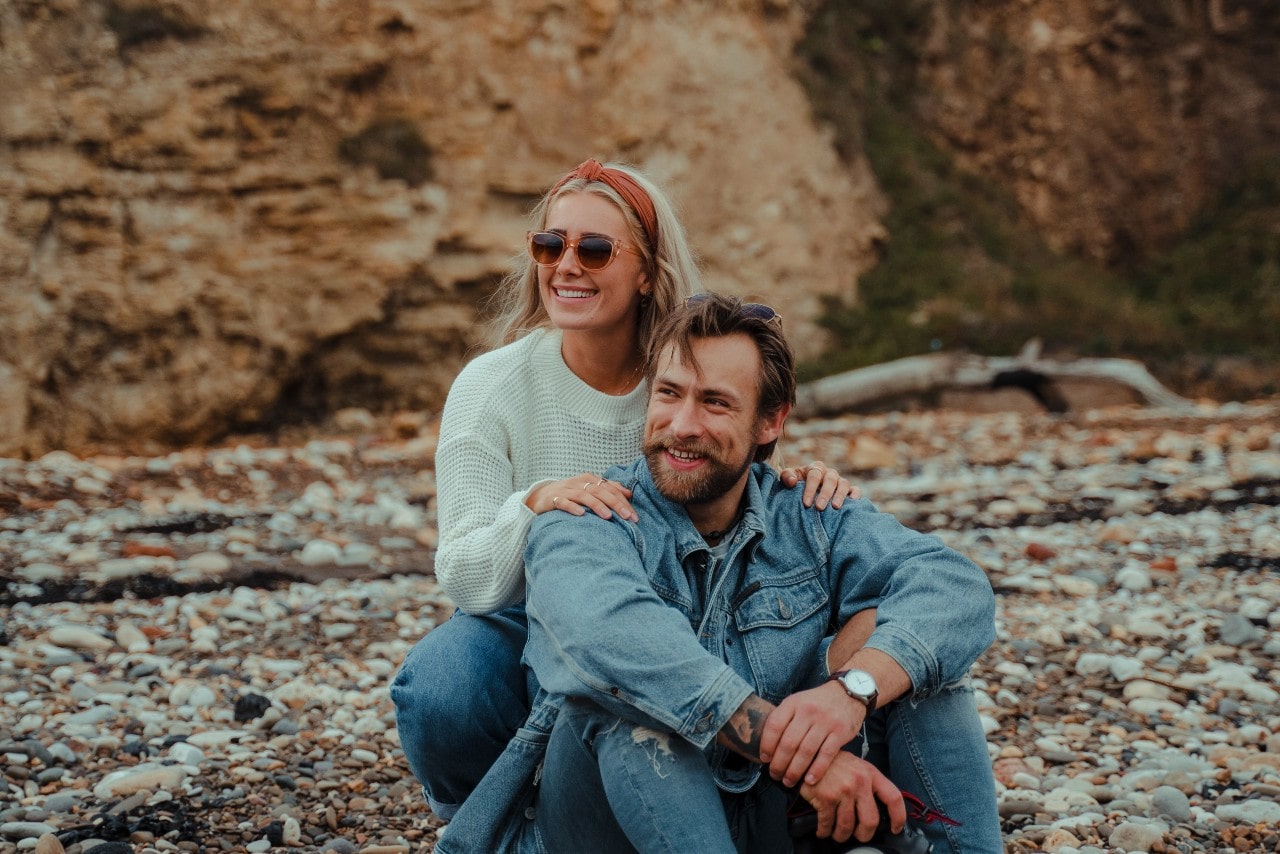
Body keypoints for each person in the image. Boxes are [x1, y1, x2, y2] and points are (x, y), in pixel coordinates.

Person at [433, 292, 1001, 854]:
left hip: (773, 813)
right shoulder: (588, 518)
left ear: (770, 422)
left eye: (716, 403)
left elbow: (953, 585)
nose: (682, 424)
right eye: (669, 393)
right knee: (619, 710)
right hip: (609, 823)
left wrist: (852, 690)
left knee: (926, 668)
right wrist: (796, 751)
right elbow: (612, 638)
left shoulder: (809, 513)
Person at [391, 160, 856, 825]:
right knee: (438, 685)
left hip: (671, 615)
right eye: (550, 246)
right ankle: (488, 819)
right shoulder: (490, 386)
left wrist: (799, 481)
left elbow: (733, 474)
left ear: (646, 270)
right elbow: (463, 577)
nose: (567, 265)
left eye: (595, 248)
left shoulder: (680, 382)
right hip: (523, 624)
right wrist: (534, 505)